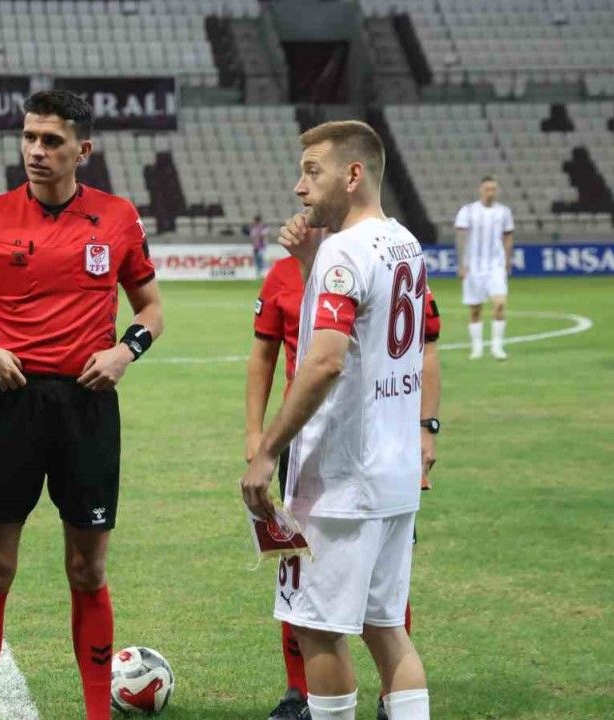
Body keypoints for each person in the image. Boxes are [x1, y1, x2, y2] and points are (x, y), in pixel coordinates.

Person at [0, 89, 164, 720]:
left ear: (83, 150)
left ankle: (96, 713)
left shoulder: (117, 218)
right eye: (29, 137)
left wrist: (125, 352)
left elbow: (151, 310)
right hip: (11, 405)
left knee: (87, 569)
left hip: (88, 407)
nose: (36, 150)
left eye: (51, 140)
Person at [242, 120, 431, 720]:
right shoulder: (405, 243)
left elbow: (324, 362)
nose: (299, 187)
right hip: (394, 474)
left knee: (318, 631)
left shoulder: (343, 252)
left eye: (312, 171)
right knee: (386, 629)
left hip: (342, 482)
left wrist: (267, 450)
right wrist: (308, 264)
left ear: (352, 175)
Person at [454, 176, 515, 360]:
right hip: (473, 267)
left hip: (495, 265)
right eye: (488, 189)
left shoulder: (504, 212)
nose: (491, 192)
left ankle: (497, 347)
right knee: (475, 310)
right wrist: (462, 264)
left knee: (500, 304)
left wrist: (507, 260)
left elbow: (508, 236)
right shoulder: (468, 211)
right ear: (481, 190)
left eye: (494, 189)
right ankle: (477, 348)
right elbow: (460, 237)